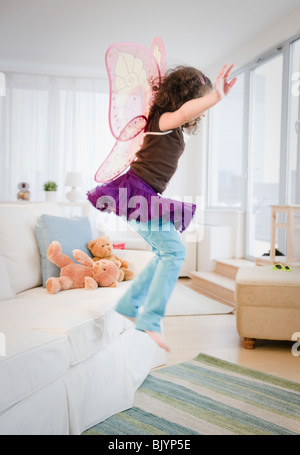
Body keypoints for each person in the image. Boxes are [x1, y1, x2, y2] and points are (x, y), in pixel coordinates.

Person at [87, 64, 237, 352]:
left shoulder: (173, 127)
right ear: (188, 98)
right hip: (136, 193)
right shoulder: (164, 119)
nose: (202, 111)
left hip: (143, 194)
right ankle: (150, 318)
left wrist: (212, 98)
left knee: (165, 252)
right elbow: (183, 113)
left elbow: (185, 115)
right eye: (200, 102)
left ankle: (130, 303)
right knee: (175, 251)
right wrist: (216, 96)